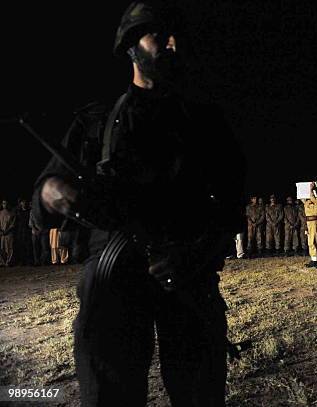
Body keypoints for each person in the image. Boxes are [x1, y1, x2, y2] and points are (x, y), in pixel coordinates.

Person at [31, 2, 245, 405]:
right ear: (131, 48)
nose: (173, 45)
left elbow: (232, 208)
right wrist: (55, 192)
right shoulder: (95, 122)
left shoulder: (205, 122)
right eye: (159, 36)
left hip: (187, 277)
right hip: (113, 284)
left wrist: (194, 255)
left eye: (176, 36)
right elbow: (42, 198)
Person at [14, 199, 33, 266]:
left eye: (25, 202)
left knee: (28, 246)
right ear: (21, 203)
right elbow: (16, 222)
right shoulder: (18, 212)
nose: (24, 203)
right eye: (22, 202)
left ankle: (29, 261)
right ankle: (22, 261)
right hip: (20, 231)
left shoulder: (28, 211)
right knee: (21, 246)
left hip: (27, 230)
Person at [0, 200, 15, 266]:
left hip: (9, 233)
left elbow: (13, 224)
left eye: (6, 203)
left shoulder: (11, 213)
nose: (4, 205)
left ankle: (8, 262)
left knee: (9, 248)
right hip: (2, 233)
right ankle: (2, 262)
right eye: (3, 203)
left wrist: (7, 231)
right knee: (2, 248)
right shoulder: (0, 213)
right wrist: (1, 231)